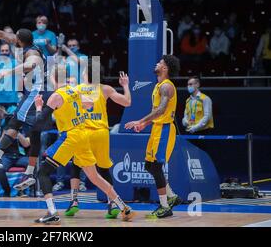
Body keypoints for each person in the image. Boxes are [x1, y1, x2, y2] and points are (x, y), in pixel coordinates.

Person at [32, 65, 133, 224]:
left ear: (52, 79)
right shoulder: (75, 91)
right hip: (83, 135)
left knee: (42, 173)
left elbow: (39, 123)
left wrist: (38, 107)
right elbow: (89, 104)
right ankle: (123, 207)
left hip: (70, 136)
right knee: (95, 176)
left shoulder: (57, 96)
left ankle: (52, 212)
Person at [0, 27, 51, 192]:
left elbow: (31, 64)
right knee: (34, 133)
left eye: (14, 37)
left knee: (15, 122)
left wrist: (7, 72)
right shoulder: (25, 45)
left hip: (36, 92)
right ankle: (29, 173)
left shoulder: (32, 52)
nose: (11, 39)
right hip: (37, 93)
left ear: (19, 40)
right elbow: (1, 34)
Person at [65, 71, 132, 219]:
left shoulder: (76, 89)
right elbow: (127, 102)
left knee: (76, 165)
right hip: (101, 133)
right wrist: (126, 86)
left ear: (86, 74)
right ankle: (112, 203)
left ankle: (74, 201)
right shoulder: (105, 88)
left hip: (83, 132)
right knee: (104, 169)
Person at [125, 55, 183, 219]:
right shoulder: (158, 86)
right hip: (157, 128)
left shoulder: (166, 87)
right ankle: (171, 196)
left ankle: (165, 207)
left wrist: (140, 120)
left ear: (165, 68)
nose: (157, 64)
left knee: (156, 167)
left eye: (160, 62)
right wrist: (145, 124)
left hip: (164, 130)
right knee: (149, 167)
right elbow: (156, 113)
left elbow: (161, 111)